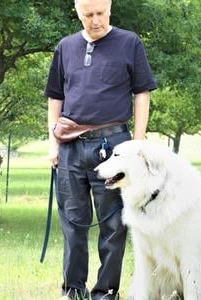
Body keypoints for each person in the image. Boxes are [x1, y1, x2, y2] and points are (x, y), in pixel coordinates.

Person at [44, 0, 157, 299]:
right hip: (70, 147)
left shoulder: (129, 42)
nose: (95, 21)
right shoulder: (65, 47)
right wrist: (52, 141)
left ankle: (105, 292)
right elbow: (55, 97)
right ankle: (73, 290)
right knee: (72, 223)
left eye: (100, 14)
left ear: (109, 10)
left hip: (114, 146)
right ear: (78, 14)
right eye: (87, 15)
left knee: (113, 225)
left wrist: (139, 139)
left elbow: (141, 91)